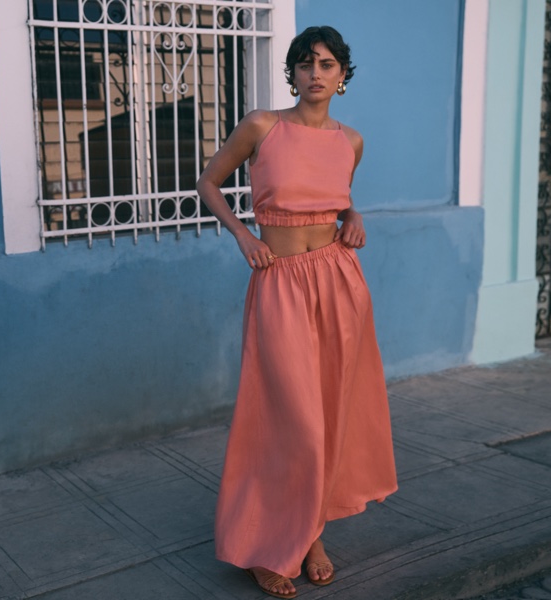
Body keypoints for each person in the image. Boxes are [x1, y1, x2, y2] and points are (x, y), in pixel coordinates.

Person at [196, 26, 398, 599]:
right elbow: (210, 182)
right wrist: (240, 234)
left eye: (327, 64)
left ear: (342, 76)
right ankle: (267, 545)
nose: (316, 73)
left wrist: (354, 217)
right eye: (306, 63)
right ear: (293, 72)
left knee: (331, 412)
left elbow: (335, 192)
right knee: (292, 418)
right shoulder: (263, 126)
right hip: (279, 282)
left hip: (338, 281)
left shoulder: (351, 140)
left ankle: (310, 537)